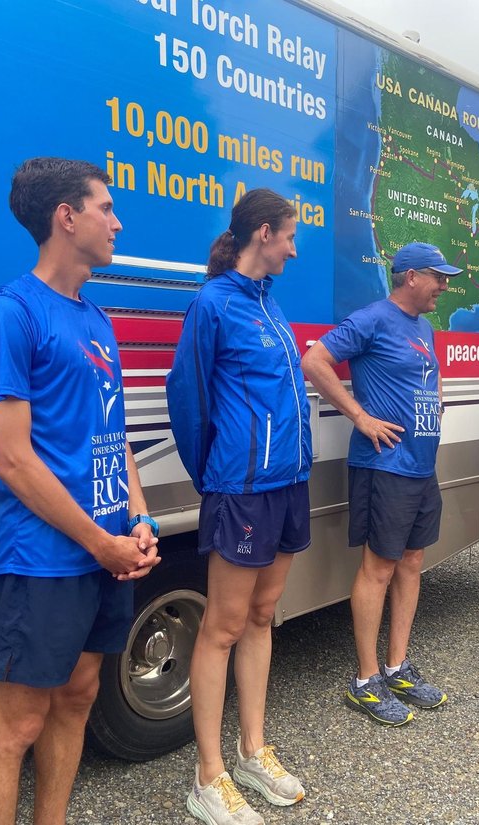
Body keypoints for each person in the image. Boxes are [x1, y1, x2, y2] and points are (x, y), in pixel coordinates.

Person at [0, 158, 160, 825]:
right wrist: (101, 542)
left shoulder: (96, 318)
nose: (117, 222)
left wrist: (139, 517)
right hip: (42, 559)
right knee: (16, 724)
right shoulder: (10, 313)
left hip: (105, 549)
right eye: (106, 207)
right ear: (66, 217)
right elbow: (13, 460)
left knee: (78, 696)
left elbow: (114, 436)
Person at [167, 189, 311, 825]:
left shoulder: (270, 303)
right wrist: (215, 475)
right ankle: (208, 776)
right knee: (222, 627)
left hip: (288, 483)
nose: (294, 249)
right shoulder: (213, 303)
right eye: (290, 236)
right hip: (241, 488)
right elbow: (188, 400)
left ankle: (253, 750)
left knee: (261, 616)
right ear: (263, 233)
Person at [302, 241, 456, 728]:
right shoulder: (372, 319)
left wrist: (436, 405)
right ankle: (366, 679)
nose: (444, 285)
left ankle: (397, 667)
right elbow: (314, 361)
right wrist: (360, 417)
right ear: (410, 277)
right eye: (438, 276)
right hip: (385, 466)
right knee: (379, 568)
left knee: (412, 562)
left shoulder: (424, 327)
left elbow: (429, 378)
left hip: (421, 465)